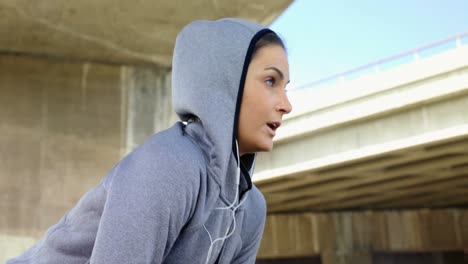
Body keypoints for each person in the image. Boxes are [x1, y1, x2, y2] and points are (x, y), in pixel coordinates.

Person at [7, 17, 292, 264]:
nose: (286, 104)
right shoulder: (170, 166)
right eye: (270, 82)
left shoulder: (252, 208)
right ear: (225, 84)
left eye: (286, 88)